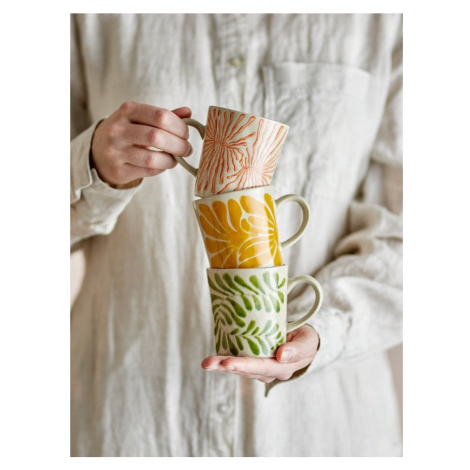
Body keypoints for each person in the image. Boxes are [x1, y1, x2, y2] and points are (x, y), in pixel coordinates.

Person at [71, 13, 403, 457]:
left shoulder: (389, 19)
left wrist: (325, 328)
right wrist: (92, 163)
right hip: (128, 419)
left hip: (322, 432)